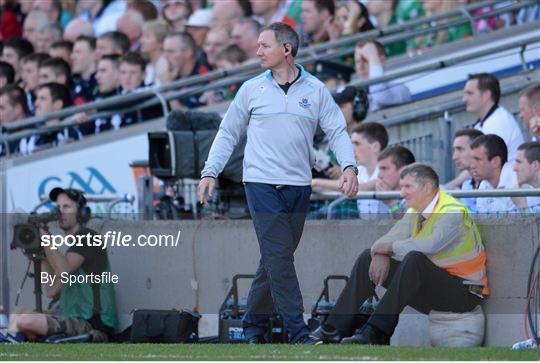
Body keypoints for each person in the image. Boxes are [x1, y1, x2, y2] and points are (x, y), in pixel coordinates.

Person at [198, 22, 358, 344]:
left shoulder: (315, 90)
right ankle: (298, 332)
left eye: (264, 46)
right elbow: (228, 133)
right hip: (260, 184)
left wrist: (349, 167)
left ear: (286, 50)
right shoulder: (250, 89)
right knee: (280, 258)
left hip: (299, 186)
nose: (257, 52)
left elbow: (337, 132)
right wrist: (209, 171)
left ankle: (253, 329)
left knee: (273, 260)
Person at [312, 163, 488, 345]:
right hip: (437, 291)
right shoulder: (416, 211)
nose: (402, 192)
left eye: (408, 187)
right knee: (367, 258)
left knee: (415, 259)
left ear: (427, 188)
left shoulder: (452, 211)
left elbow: (427, 245)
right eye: (401, 186)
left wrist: (388, 249)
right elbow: (391, 237)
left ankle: (376, 332)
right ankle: (334, 328)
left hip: (465, 294)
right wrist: (379, 253)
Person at [10, 188, 117, 342]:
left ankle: (22, 341)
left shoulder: (88, 238)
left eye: (67, 207)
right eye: (58, 207)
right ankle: (14, 346)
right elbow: (51, 291)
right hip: (71, 317)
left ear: (81, 212)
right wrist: (40, 255)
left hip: (93, 324)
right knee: (17, 313)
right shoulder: (70, 251)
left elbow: (63, 270)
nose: (61, 212)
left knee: (27, 321)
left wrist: (45, 237)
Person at [312, 122, 389, 220]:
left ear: (375, 147)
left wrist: (315, 182)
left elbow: (358, 187)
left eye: (357, 144)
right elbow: (339, 187)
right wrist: (312, 186)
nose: (352, 149)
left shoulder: (387, 170)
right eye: (351, 144)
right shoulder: (360, 170)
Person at [464, 73, 524, 164]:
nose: (464, 99)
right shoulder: (486, 122)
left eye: (470, 93)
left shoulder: (499, 123)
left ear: (486, 95)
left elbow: (483, 165)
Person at [354, 40, 411, 113]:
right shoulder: (355, 94)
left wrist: (373, 56)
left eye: (366, 59)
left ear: (382, 60)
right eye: (357, 61)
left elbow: (380, 97)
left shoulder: (400, 88)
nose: (360, 67)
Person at [469, 134, 518, 214]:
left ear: (495, 162)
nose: (472, 166)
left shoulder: (517, 181)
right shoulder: (484, 184)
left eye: (477, 159)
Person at [446, 128, 484, 212]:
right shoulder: (466, 186)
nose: (454, 157)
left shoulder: (496, 185)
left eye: (460, 149)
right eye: (454, 150)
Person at [513, 142, 540, 213]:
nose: (514, 168)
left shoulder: (522, 198)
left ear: (535, 165)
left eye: (519, 162)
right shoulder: (528, 195)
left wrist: (522, 206)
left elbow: (533, 224)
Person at [71, 35, 98, 105]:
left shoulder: (103, 84)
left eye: (78, 52)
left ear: (94, 55)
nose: (72, 57)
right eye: (73, 52)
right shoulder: (71, 84)